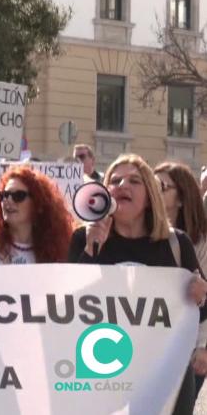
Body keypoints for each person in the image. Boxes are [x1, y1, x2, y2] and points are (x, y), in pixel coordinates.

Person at [68, 154, 207, 414]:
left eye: (134, 181)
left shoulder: (176, 244)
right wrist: (90, 250)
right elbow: (66, 307)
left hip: (167, 374)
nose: (122, 185)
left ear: (150, 195)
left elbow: (200, 312)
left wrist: (200, 296)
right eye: (115, 180)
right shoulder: (82, 238)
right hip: (103, 372)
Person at [154, 161, 207, 393]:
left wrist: (203, 346)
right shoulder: (142, 236)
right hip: (148, 343)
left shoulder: (200, 242)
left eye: (161, 186)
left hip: (188, 347)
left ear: (181, 198)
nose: (153, 190)